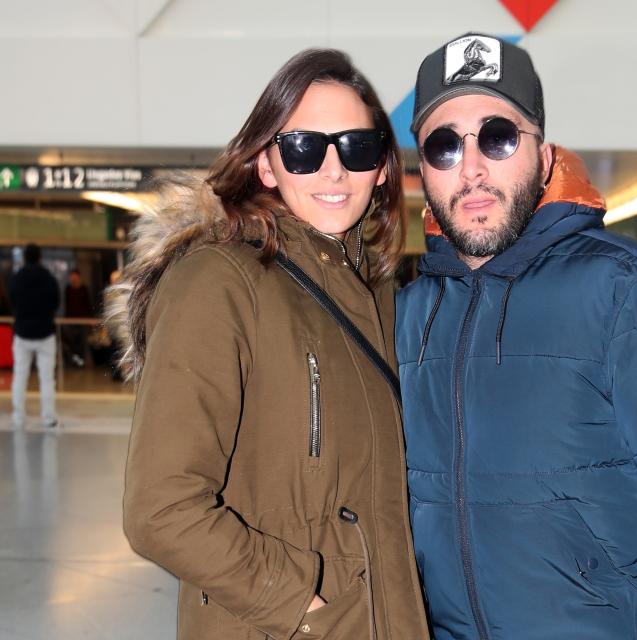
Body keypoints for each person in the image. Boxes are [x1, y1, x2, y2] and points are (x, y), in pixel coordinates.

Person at [396, 33, 637, 640]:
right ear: (425, 173)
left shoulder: (631, 292)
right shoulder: (409, 314)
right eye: (444, 145)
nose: (473, 167)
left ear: (544, 157)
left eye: (498, 136)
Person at [107, 50, 429, 640]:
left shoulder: (380, 295)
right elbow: (160, 510)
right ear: (266, 165)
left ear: (382, 166)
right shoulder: (217, 282)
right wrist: (299, 598)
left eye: (356, 147)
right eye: (304, 148)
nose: (333, 171)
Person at [9, 243, 60, 429]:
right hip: (45, 334)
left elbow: (12, 300)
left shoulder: (16, 278)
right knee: (46, 379)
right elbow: (55, 303)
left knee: (20, 376)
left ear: (24, 257)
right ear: (40, 257)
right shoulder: (49, 278)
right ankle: (48, 418)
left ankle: (18, 418)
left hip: (22, 334)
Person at [63, 268, 93, 367]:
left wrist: (89, 319)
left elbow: (88, 305)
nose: (73, 278)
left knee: (83, 343)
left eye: (75, 276)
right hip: (71, 321)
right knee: (72, 343)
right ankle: (74, 362)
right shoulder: (68, 289)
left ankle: (82, 362)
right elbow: (67, 305)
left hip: (83, 320)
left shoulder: (84, 289)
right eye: (72, 276)